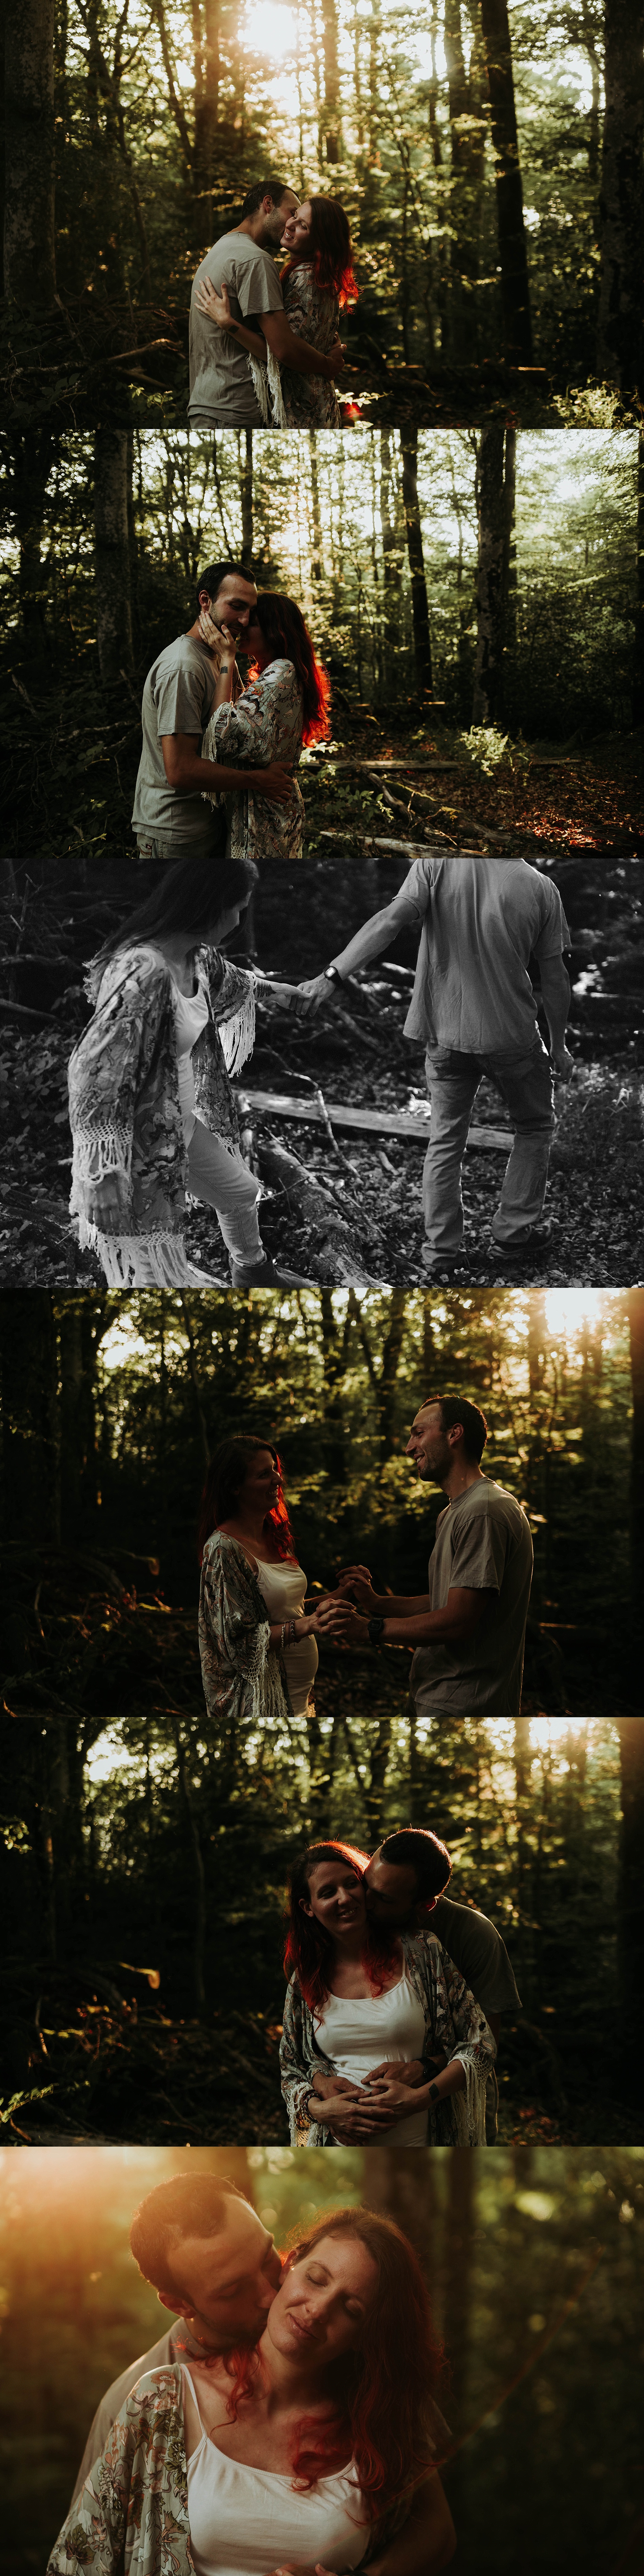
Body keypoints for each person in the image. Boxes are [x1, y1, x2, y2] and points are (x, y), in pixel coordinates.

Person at [53, 2204, 456, 2576]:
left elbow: (436, 2531)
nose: (317, 2310)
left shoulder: (380, 2418)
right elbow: (80, 2558)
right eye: (316, 2279)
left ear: (364, 2334)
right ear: (292, 2264)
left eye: (351, 2310)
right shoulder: (158, 2398)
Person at [299, 842, 574, 1274]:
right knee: (535, 1125)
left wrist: (330, 975)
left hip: (444, 1033)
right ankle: (512, 1236)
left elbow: (390, 921)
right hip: (511, 1036)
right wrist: (557, 1045)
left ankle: (441, 1254)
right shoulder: (541, 887)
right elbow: (555, 978)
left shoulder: (437, 863)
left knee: (445, 1138)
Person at [68, 838, 309, 1287]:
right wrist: (101, 1170)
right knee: (151, 1262)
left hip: (178, 1119)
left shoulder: (196, 957)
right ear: (209, 905)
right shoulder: (144, 972)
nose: (239, 920)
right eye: (237, 908)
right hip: (136, 1141)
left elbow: (236, 981)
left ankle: (253, 1274)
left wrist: (287, 994)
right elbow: (93, 1070)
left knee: (240, 1193)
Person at [71, 2172, 283, 2500]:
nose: (270, 2294)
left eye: (268, 2257)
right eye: (234, 2290)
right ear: (179, 2304)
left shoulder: (330, 2322)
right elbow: (90, 2549)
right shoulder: (132, 2409)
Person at [320, 1395, 534, 1720]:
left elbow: (459, 1621)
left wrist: (370, 1629)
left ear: (454, 1434)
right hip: (435, 1695)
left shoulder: (484, 1510)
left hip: (466, 1704)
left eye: (419, 1433)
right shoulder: (453, 1512)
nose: (409, 1448)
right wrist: (378, 1602)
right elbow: (446, 1603)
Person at [280, 1840, 496, 2146]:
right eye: (328, 1893)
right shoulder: (305, 1979)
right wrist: (320, 2109)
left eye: (351, 1884)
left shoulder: (424, 1952)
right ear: (308, 1908)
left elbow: (481, 2044)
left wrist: (420, 2098)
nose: (345, 1898)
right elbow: (292, 2068)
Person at [131, 560, 293, 874]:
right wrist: (258, 781)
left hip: (207, 826)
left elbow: (230, 736)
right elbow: (179, 770)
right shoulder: (183, 667)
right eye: (236, 606)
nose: (245, 620)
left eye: (251, 611)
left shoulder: (219, 656)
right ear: (206, 601)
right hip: (176, 834)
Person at [363, 1827, 522, 2144]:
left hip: (458, 2107)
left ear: (425, 1905)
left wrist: (424, 2069)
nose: (363, 1901)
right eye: (365, 1883)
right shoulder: (358, 1923)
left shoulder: (474, 1936)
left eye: (383, 1898)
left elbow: (485, 2046)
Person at [198, 1436, 333, 1743]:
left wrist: (339, 1595)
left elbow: (287, 1610)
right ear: (235, 1487)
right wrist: (308, 1625)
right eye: (264, 1474)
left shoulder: (272, 1536)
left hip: (299, 1696)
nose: (278, 1478)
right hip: (260, 1704)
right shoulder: (222, 1550)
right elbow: (236, 1644)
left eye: (275, 1469)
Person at [189, 179, 345, 428]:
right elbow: (284, 349)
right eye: (292, 213)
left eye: (300, 221)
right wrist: (328, 363)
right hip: (232, 408)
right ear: (268, 205)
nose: (290, 223)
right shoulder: (255, 260)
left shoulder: (223, 248)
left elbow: (294, 339)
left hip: (217, 404)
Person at [200, 588, 330, 874]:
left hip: (264, 814)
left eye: (254, 622)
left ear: (276, 632)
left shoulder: (282, 671)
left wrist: (225, 659)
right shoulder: (281, 671)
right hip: (272, 806)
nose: (244, 625)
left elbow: (223, 731)